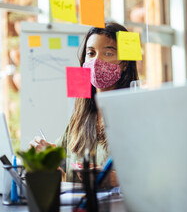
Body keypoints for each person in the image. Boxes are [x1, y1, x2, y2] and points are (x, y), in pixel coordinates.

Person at [30, 22, 139, 182]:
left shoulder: (137, 114)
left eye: (108, 53)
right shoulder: (80, 113)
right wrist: (47, 153)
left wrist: (111, 179)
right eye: (91, 53)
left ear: (125, 63)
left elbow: (157, 175)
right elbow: (65, 161)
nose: (96, 61)